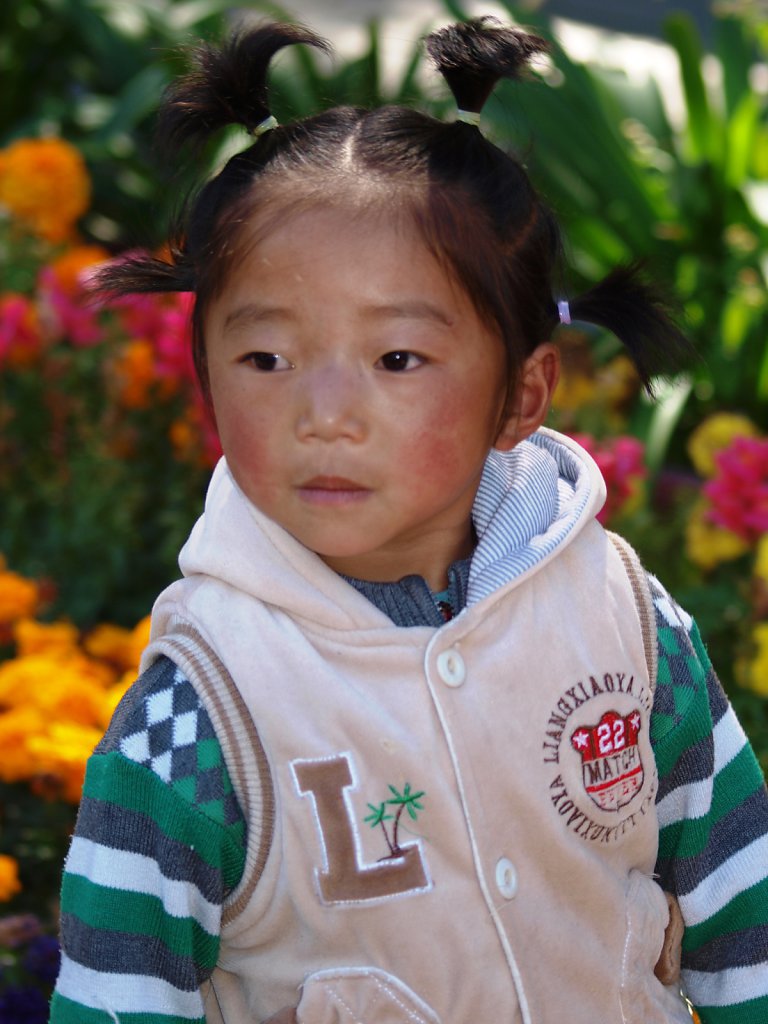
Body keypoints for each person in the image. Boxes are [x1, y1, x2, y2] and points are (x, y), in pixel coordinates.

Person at [49, 16, 768, 1024]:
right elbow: (115, 1000)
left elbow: (743, 904)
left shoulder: (625, 622)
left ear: (523, 394)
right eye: (266, 359)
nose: (323, 414)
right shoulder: (207, 713)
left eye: (395, 359)